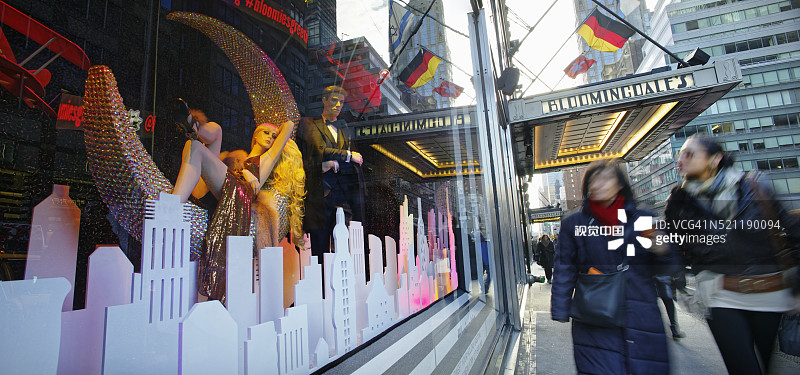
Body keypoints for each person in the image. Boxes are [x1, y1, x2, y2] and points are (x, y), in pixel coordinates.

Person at [665, 135, 800, 375]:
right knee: (743, 367)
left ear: (715, 159)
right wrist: (677, 275)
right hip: (720, 292)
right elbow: (675, 246)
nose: (681, 159)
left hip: (769, 291)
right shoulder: (678, 201)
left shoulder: (756, 186)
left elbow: (792, 232)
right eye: (680, 154)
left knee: (765, 365)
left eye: (689, 153)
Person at [551, 159, 677, 375]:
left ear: (620, 185)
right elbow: (564, 267)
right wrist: (560, 308)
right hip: (595, 314)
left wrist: (662, 250)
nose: (598, 184)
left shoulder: (643, 218)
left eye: (606, 178)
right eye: (593, 180)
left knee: (646, 366)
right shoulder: (574, 224)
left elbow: (667, 266)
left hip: (640, 310)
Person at [171, 99, 294, 302]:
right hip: (222, 186)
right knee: (214, 132)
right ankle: (192, 126)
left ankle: (172, 206)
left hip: (238, 194)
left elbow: (289, 126)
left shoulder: (266, 159)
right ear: (255, 135)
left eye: (274, 136)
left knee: (196, 148)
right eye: (265, 132)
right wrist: (244, 171)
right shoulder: (238, 159)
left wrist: (248, 172)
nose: (271, 138)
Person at [297, 86, 363, 259]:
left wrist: (338, 163)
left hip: (344, 195)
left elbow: (353, 164)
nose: (338, 105)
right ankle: (319, 282)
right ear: (324, 100)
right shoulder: (309, 124)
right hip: (320, 194)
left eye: (341, 102)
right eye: (334, 100)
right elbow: (319, 150)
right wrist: (347, 155)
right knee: (319, 247)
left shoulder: (345, 130)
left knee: (346, 244)